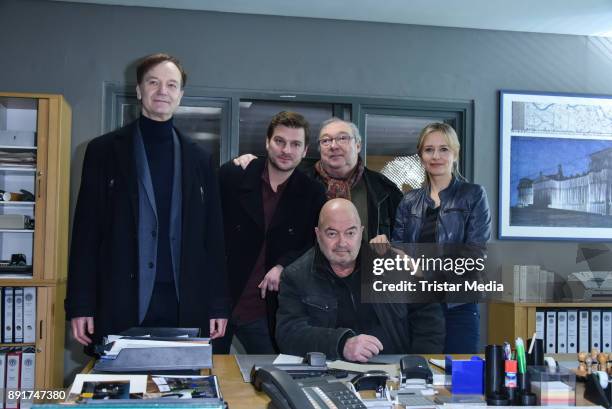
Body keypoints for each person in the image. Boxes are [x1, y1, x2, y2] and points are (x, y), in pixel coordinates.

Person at [65, 53, 229, 349]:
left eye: (171, 84)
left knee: (183, 387)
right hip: (122, 298)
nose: (162, 91)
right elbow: (86, 234)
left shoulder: (200, 159)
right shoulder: (103, 152)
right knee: (119, 388)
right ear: (139, 90)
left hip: (184, 303)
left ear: (181, 94)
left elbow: (213, 239)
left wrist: (218, 304)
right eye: (153, 82)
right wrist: (81, 304)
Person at [276, 198, 444, 362]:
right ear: (317, 234)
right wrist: (342, 344)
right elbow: (289, 334)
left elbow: (428, 316)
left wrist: (418, 364)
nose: (342, 243)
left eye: (350, 232)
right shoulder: (296, 276)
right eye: (332, 233)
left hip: (395, 371)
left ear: (361, 231)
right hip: (330, 372)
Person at [216, 111, 326, 353]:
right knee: (204, 377)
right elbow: (207, 235)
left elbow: (315, 243)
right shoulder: (233, 176)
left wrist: (284, 266)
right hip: (220, 303)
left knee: (269, 381)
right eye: (279, 141)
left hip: (269, 310)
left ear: (305, 150)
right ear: (267, 142)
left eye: (295, 144)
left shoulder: (313, 193)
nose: (286, 150)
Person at [392, 122, 491, 353]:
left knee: (460, 380)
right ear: (421, 155)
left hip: (458, 304)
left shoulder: (473, 195)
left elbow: (474, 254)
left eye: (443, 149)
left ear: (455, 154)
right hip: (419, 306)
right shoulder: (408, 201)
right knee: (420, 377)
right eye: (429, 150)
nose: (436, 156)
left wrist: (423, 270)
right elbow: (398, 250)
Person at [234, 117, 402, 242]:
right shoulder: (296, 183)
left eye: (342, 138)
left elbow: (405, 245)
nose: (334, 146)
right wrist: (252, 165)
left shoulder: (385, 190)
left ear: (358, 145)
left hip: (367, 281)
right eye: (326, 140)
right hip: (308, 282)